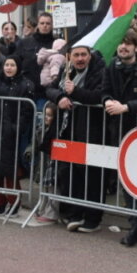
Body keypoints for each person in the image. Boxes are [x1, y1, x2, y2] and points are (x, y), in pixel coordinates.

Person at [97, 32, 137, 247]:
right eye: (120, 43)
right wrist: (107, 101)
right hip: (118, 128)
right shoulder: (111, 66)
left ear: (135, 47)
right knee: (125, 175)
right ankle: (135, 222)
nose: (122, 47)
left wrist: (125, 107)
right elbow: (104, 91)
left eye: (127, 43)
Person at [46, 44, 106, 231]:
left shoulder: (99, 71)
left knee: (92, 176)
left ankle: (92, 219)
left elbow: (100, 95)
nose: (80, 59)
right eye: (76, 55)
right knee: (71, 174)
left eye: (83, 55)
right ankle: (74, 214)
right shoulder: (67, 70)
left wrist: (76, 92)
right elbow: (50, 89)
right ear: (70, 57)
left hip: (92, 130)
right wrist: (59, 98)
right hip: (69, 129)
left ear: (90, 55)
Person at [0, 55, 36, 215]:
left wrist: (15, 128)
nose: (9, 68)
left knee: (10, 172)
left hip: (12, 134)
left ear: (18, 67)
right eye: (6, 65)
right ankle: (0, 202)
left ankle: (14, 202)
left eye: (12, 65)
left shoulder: (26, 85)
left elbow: (26, 111)